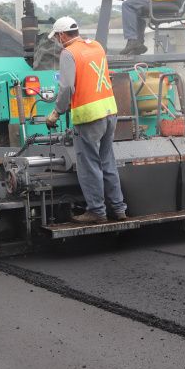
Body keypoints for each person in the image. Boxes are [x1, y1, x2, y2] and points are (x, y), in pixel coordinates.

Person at [45, 16, 128, 224]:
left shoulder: (68, 53)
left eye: (56, 37)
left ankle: (97, 212)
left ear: (62, 35)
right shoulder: (96, 46)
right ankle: (119, 209)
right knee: (107, 161)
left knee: (89, 165)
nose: (56, 41)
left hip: (89, 117)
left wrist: (56, 112)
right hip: (110, 112)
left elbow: (66, 87)